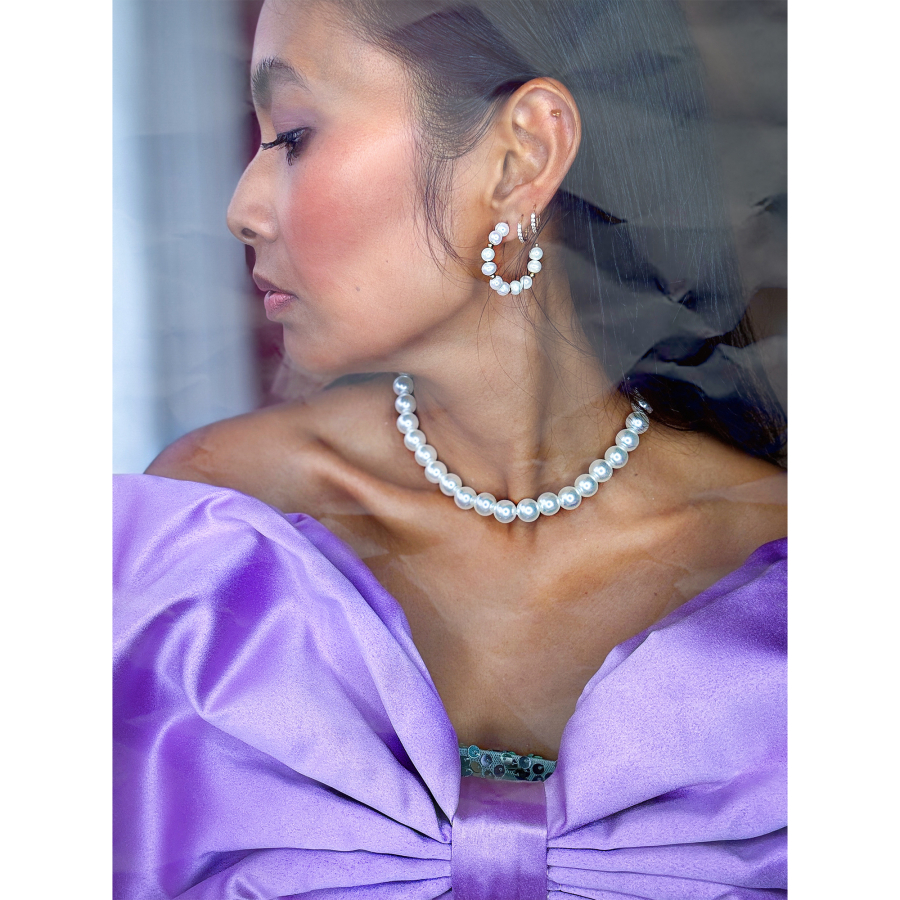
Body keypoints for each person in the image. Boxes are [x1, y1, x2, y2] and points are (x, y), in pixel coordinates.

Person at [114, 1, 787, 896]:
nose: (242, 209)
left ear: (522, 157)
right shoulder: (213, 534)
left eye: (295, 136)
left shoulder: (780, 569)